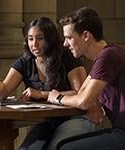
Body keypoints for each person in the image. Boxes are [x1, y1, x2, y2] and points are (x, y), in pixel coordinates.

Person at [0, 17, 98, 150]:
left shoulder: (66, 56)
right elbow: (5, 89)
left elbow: (80, 92)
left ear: (50, 39)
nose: (34, 44)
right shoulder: (25, 61)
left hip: (75, 117)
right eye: (31, 39)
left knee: (57, 147)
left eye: (40, 38)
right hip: (44, 121)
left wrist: (43, 94)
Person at [48, 7, 125, 149]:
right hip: (119, 131)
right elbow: (82, 93)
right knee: (61, 145)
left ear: (86, 36)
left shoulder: (107, 56)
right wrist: (92, 102)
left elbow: (83, 101)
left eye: (69, 37)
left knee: (66, 148)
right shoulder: (104, 56)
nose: (65, 44)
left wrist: (57, 98)